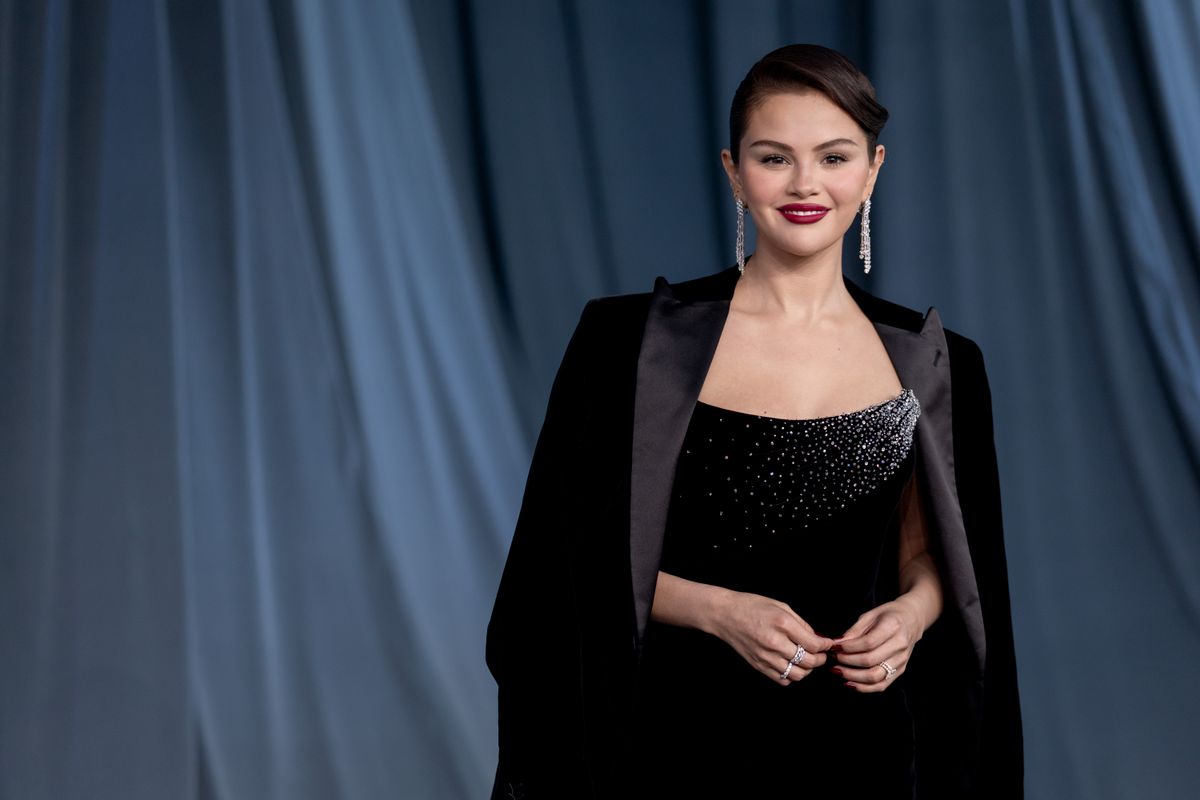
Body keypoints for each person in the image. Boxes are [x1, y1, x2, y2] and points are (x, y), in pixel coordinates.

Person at [486, 43, 1022, 799]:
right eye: (775, 158)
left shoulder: (935, 361)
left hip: (859, 754)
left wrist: (909, 615)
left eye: (834, 158)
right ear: (735, 172)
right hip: (672, 745)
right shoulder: (629, 344)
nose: (806, 184)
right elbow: (559, 567)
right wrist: (719, 611)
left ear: (873, 171)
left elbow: (931, 556)